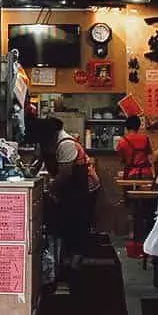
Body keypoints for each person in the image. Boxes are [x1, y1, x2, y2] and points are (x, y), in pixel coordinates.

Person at [34, 117, 100, 277]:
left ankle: (75, 262)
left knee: (78, 221)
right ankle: (65, 259)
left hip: (81, 186)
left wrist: (51, 188)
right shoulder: (48, 142)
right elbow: (39, 161)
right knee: (65, 221)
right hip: (67, 188)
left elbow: (65, 174)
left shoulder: (66, 144)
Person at [115, 115, 155, 180]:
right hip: (146, 173)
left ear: (126, 127)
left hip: (131, 174)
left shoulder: (122, 141)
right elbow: (151, 157)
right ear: (138, 126)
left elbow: (121, 159)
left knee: (127, 189)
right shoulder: (146, 138)